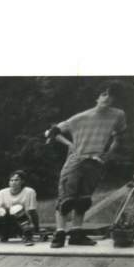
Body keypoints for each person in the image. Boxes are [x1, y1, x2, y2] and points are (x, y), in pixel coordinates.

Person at [46, 83, 127, 249]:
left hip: (95, 162)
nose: (107, 98)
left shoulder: (118, 115)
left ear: (114, 99)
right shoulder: (80, 117)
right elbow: (51, 133)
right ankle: (60, 233)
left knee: (83, 200)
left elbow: (119, 135)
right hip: (76, 160)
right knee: (66, 199)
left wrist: (109, 153)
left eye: (110, 95)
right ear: (97, 97)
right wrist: (70, 144)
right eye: (103, 94)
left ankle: (76, 234)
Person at [0, 171, 40, 245]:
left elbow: (32, 211)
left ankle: (28, 237)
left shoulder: (29, 192)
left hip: (22, 224)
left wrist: (36, 227)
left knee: (16, 208)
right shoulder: (2, 192)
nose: (13, 182)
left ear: (22, 181)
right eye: (11, 180)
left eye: (16, 180)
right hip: (4, 224)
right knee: (0, 210)